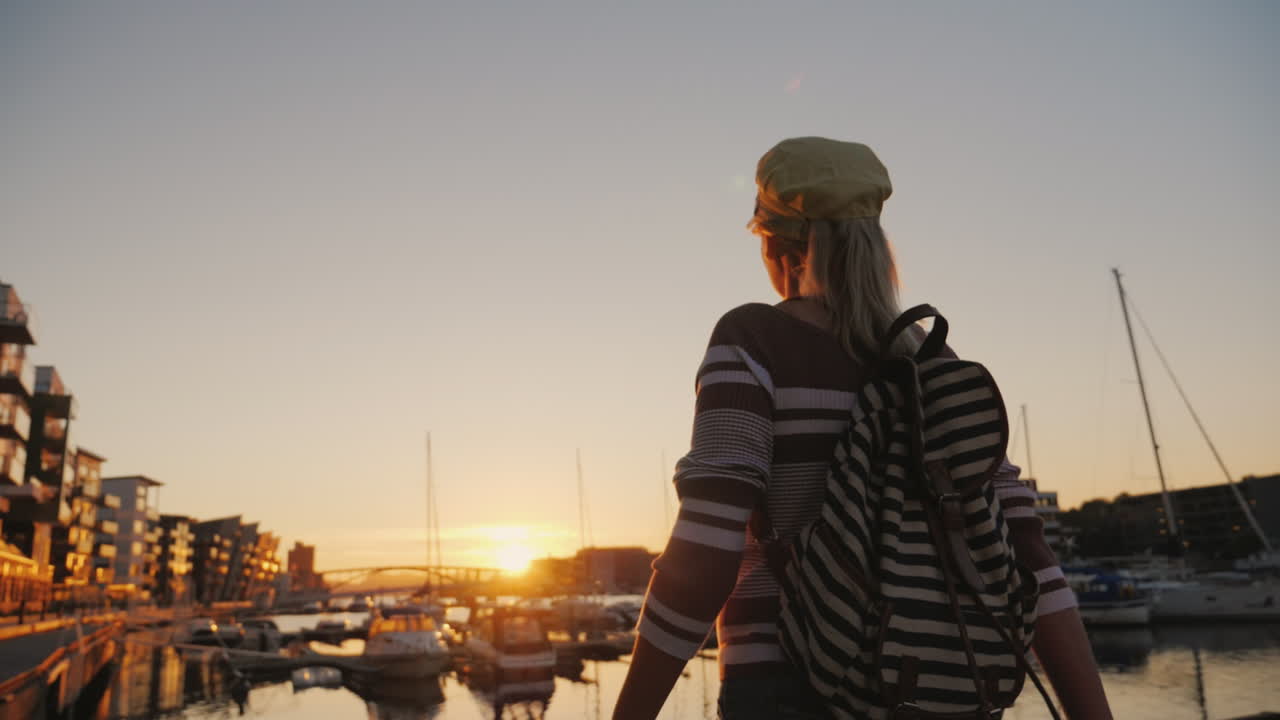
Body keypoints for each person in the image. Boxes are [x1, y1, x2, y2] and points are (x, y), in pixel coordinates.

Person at [613, 137, 1112, 720]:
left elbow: (705, 554)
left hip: (790, 688)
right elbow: (1029, 556)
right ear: (875, 242)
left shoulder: (753, 342)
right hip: (946, 692)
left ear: (775, 243)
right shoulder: (937, 366)